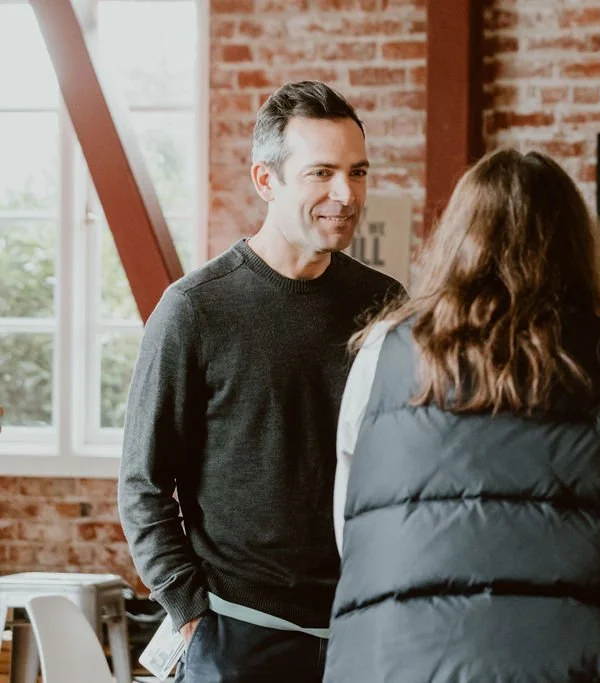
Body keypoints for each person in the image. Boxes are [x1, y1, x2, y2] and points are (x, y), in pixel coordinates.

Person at [324, 148, 600, 683]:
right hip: (586, 660)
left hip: (397, 659)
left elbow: (353, 528)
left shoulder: (380, 354)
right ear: (575, 245)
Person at [118, 80, 405, 682]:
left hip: (362, 627)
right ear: (265, 180)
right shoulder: (195, 309)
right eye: (321, 172)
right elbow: (143, 483)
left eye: (357, 172)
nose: (345, 194)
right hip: (236, 630)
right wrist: (191, 612)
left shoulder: (385, 303)